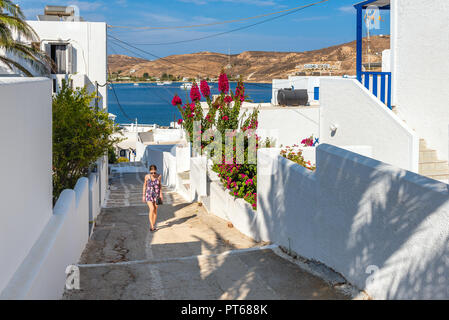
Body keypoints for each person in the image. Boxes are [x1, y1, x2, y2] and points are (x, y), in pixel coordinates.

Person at [142, 164, 163, 232]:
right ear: (149, 171)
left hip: (156, 195)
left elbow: (160, 186)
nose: (153, 174)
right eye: (151, 172)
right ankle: (152, 226)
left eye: (154, 172)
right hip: (149, 194)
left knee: (155, 210)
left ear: (156, 171)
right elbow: (145, 186)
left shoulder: (159, 176)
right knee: (152, 208)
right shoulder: (147, 177)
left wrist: (161, 194)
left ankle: (152, 225)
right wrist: (143, 195)